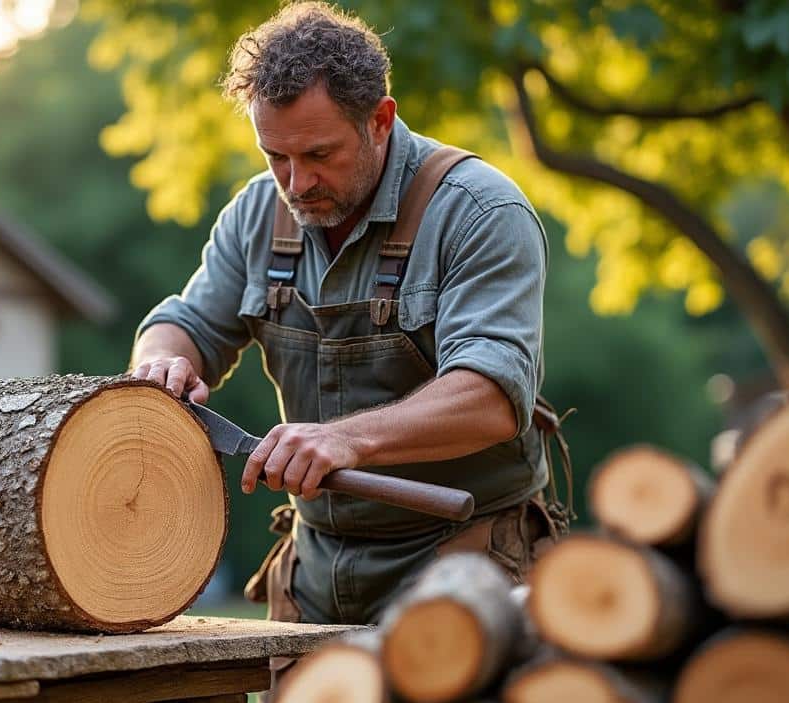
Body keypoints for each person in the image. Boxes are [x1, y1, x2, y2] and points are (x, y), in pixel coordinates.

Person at [130, 2, 567, 631]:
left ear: (380, 120)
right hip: (316, 566)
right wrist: (161, 364)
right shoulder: (257, 213)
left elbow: (492, 396)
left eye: (319, 154)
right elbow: (183, 323)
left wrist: (346, 439)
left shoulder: (480, 211)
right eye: (275, 156)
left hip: (466, 561)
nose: (296, 182)